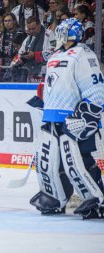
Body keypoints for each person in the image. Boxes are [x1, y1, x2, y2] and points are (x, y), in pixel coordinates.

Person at [29, 18, 104, 219]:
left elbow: (95, 86)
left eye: (61, 32)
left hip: (75, 117)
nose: (58, 35)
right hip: (53, 115)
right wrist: (43, 100)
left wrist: (89, 113)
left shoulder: (83, 54)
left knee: (78, 161)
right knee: (50, 161)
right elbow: (54, 84)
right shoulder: (56, 54)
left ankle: (96, 199)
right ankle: (54, 197)